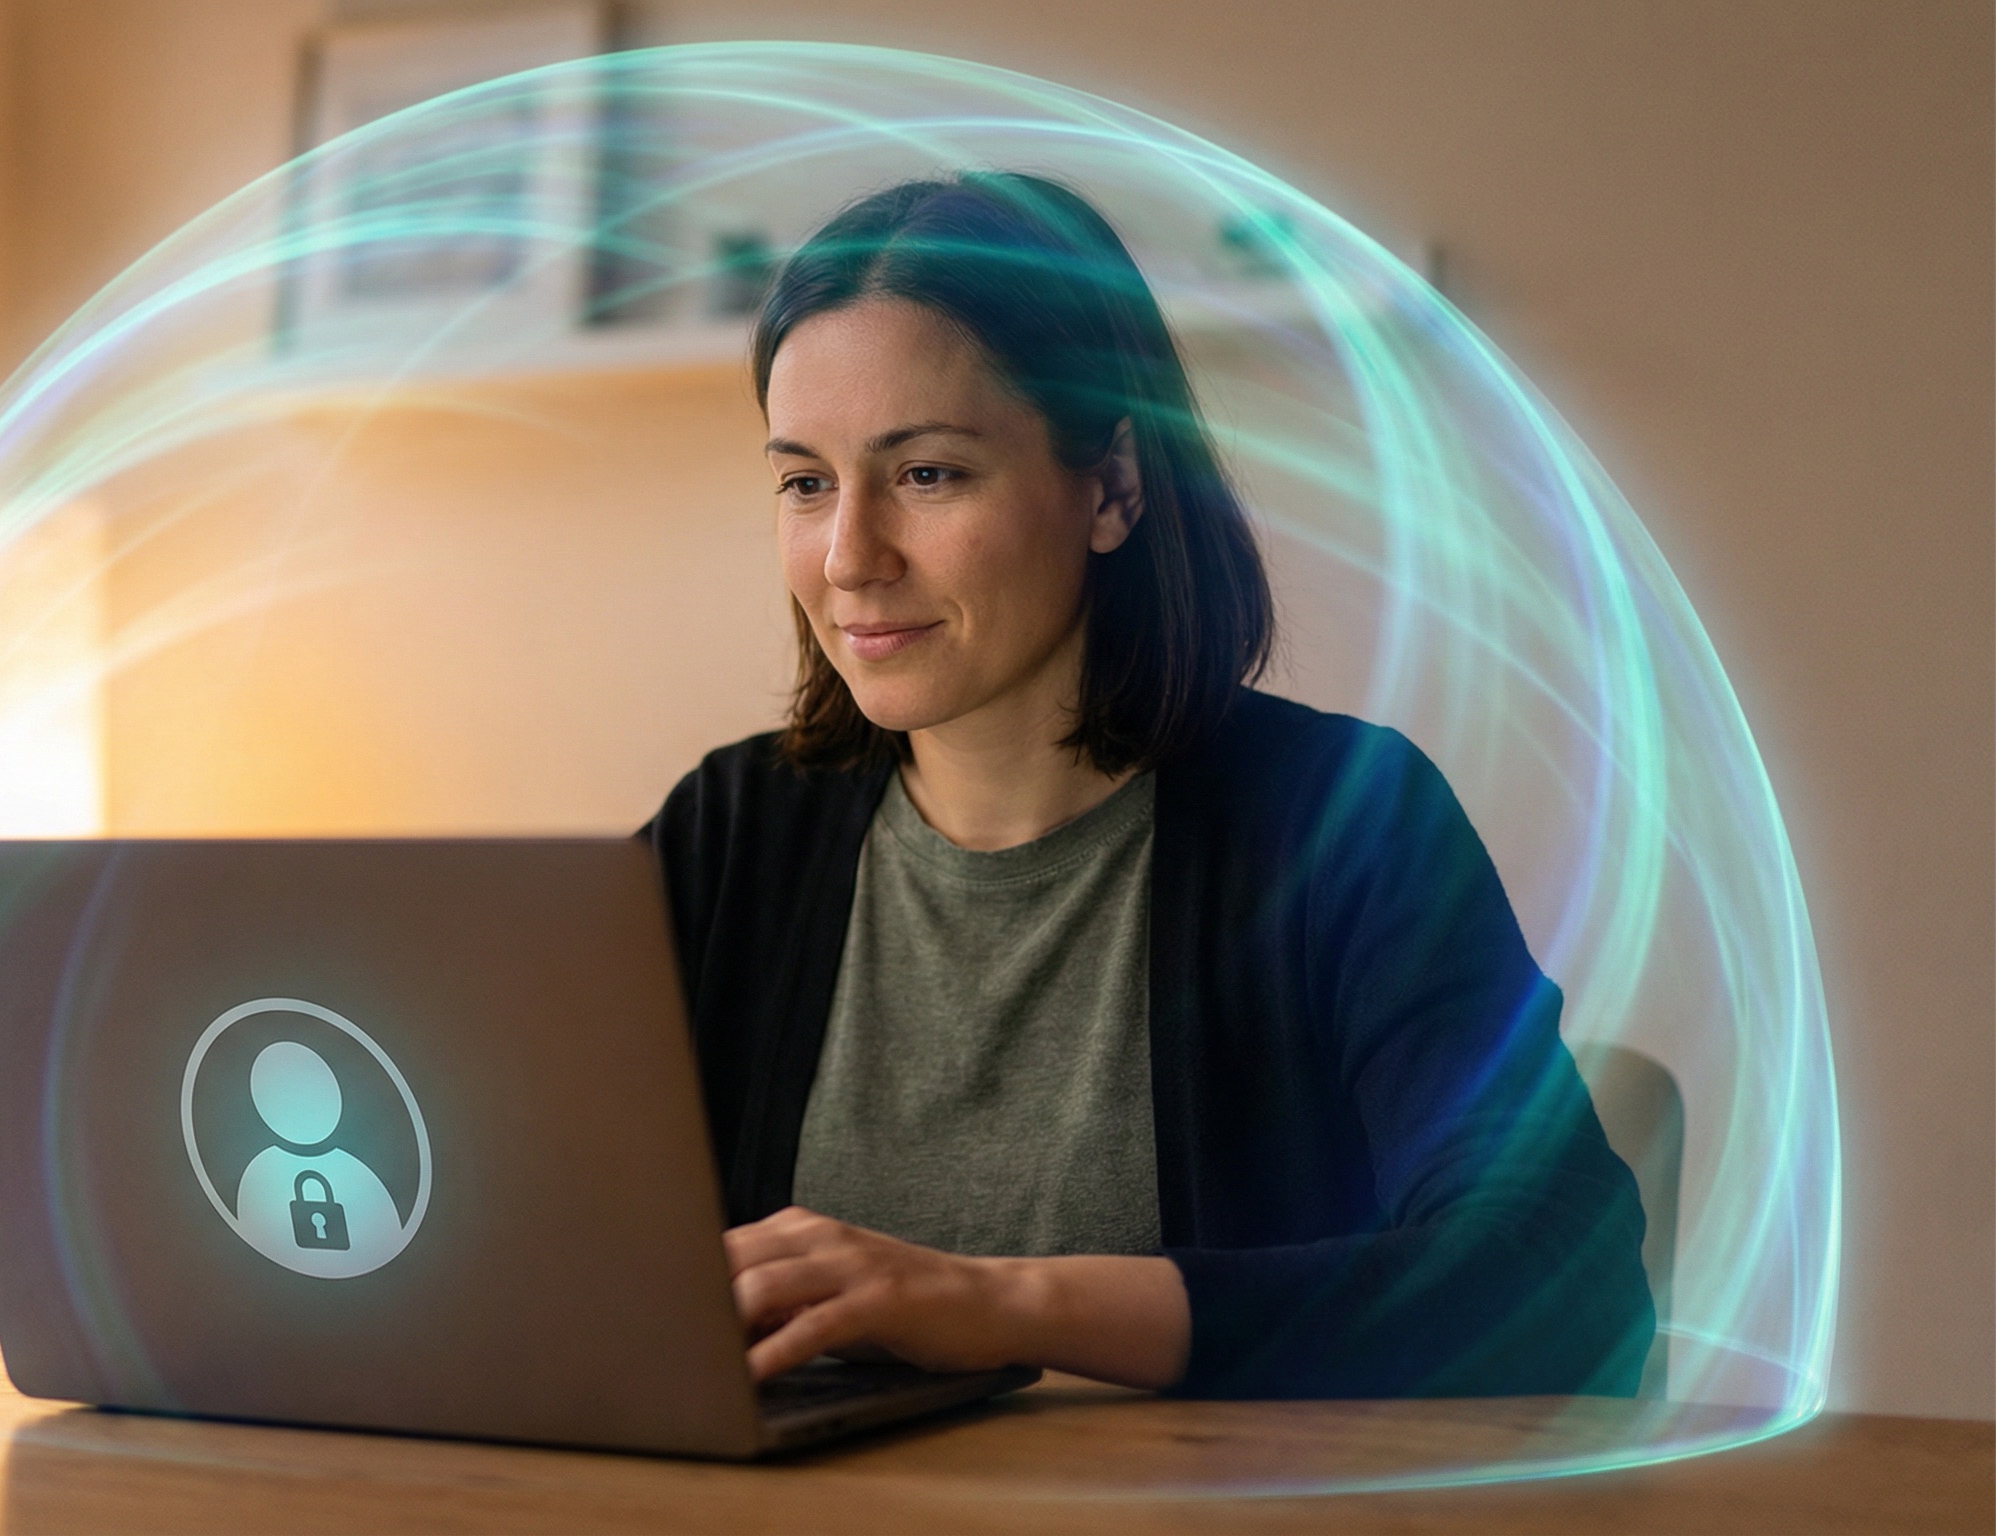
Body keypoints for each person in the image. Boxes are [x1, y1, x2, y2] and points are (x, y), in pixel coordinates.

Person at [641, 173, 1654, 1398]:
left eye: (927, 475)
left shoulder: (1342, 821)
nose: (849, 557)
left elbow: (1559, 1278)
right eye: (805, 481)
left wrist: (1011, 1305)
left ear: (1111, 488)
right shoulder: (728, 833)